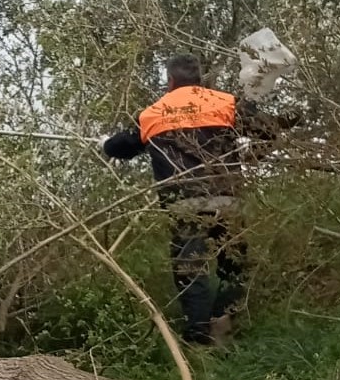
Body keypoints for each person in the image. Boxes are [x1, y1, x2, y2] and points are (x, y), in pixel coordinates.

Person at [101, 53, 281, 347]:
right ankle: (225, 320)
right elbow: (268, 129)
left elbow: (124, 145)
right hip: (227, 198)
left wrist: (105, 145)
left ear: (170, 81)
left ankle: (199, 337)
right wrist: (255, 154)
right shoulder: (224, 103)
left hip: (183, 202)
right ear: (200, 80)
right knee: (233, 263)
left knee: (190, 269)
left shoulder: (154, 113)